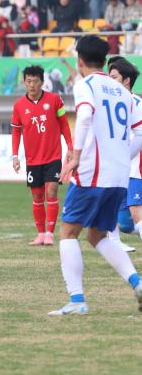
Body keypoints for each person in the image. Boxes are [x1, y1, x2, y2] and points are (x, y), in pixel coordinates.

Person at [49, 35, 142, 316]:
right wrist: (122, 156)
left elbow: (85, 116)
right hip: (118, 176)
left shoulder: (85, 85)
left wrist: (76, 155)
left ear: (79, 61)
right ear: (104, 60)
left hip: (92, 172)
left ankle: (77, 301)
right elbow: (139, 131)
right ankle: (138, 283)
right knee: (97, 235)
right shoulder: (123, 92)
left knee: (68, 232)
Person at [11, 65, 73, 246]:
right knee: (37, 197)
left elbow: (64, 124)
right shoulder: (18, 106)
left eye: (35, 81)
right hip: (33, 159)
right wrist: (15, 156)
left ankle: (50, 234)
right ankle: (40, 234)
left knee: (51, 192)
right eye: (28, 81)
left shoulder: (55, 100)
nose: (32, 85)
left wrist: (70, 146)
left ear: (42, 82)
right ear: (24, 82)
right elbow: (16, 132)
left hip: (53, 156)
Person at [106, 57, 142, 252]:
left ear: (126, 80)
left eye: (114, 77)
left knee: (136, 212)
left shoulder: (136, 103)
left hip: (136, 168)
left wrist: (123, 157)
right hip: (119, 168)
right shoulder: (111, 104)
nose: (109, 81)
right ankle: (115, 243)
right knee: (125, 223)